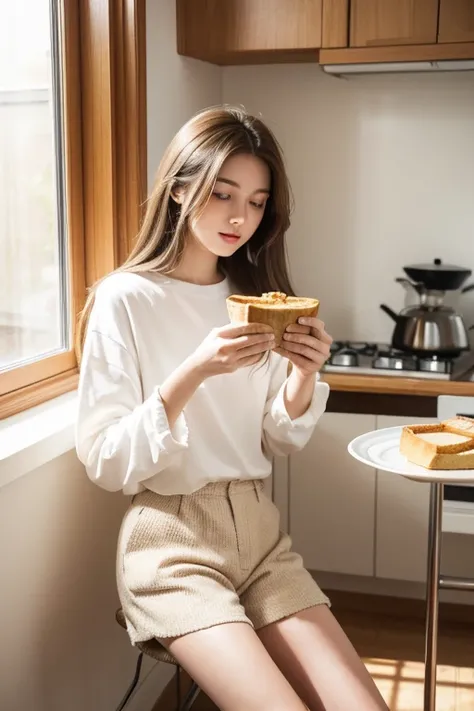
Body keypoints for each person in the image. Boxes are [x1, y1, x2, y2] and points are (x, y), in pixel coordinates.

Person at [75, 105, 389, 711]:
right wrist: (194, 370)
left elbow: (279, 438)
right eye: (222, 193)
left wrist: (303, 372)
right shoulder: (125, 298)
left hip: (262, 536)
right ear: (179, 189)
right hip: (171, 541)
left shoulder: (256, 299)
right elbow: (107, 462)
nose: (240, 216)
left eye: (258, 200)